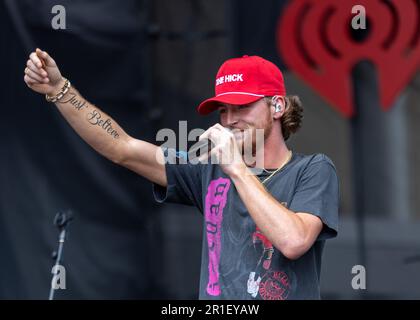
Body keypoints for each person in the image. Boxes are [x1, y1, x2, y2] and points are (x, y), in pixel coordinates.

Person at [24, 49, 339, 300]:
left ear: (278, 106)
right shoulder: (209, 169)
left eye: (241, 107)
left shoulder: (313, 169)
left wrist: (237, 168)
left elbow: (293, 241)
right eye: (223, 110)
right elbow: (122, 148)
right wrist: (59, 90)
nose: (230, 120)